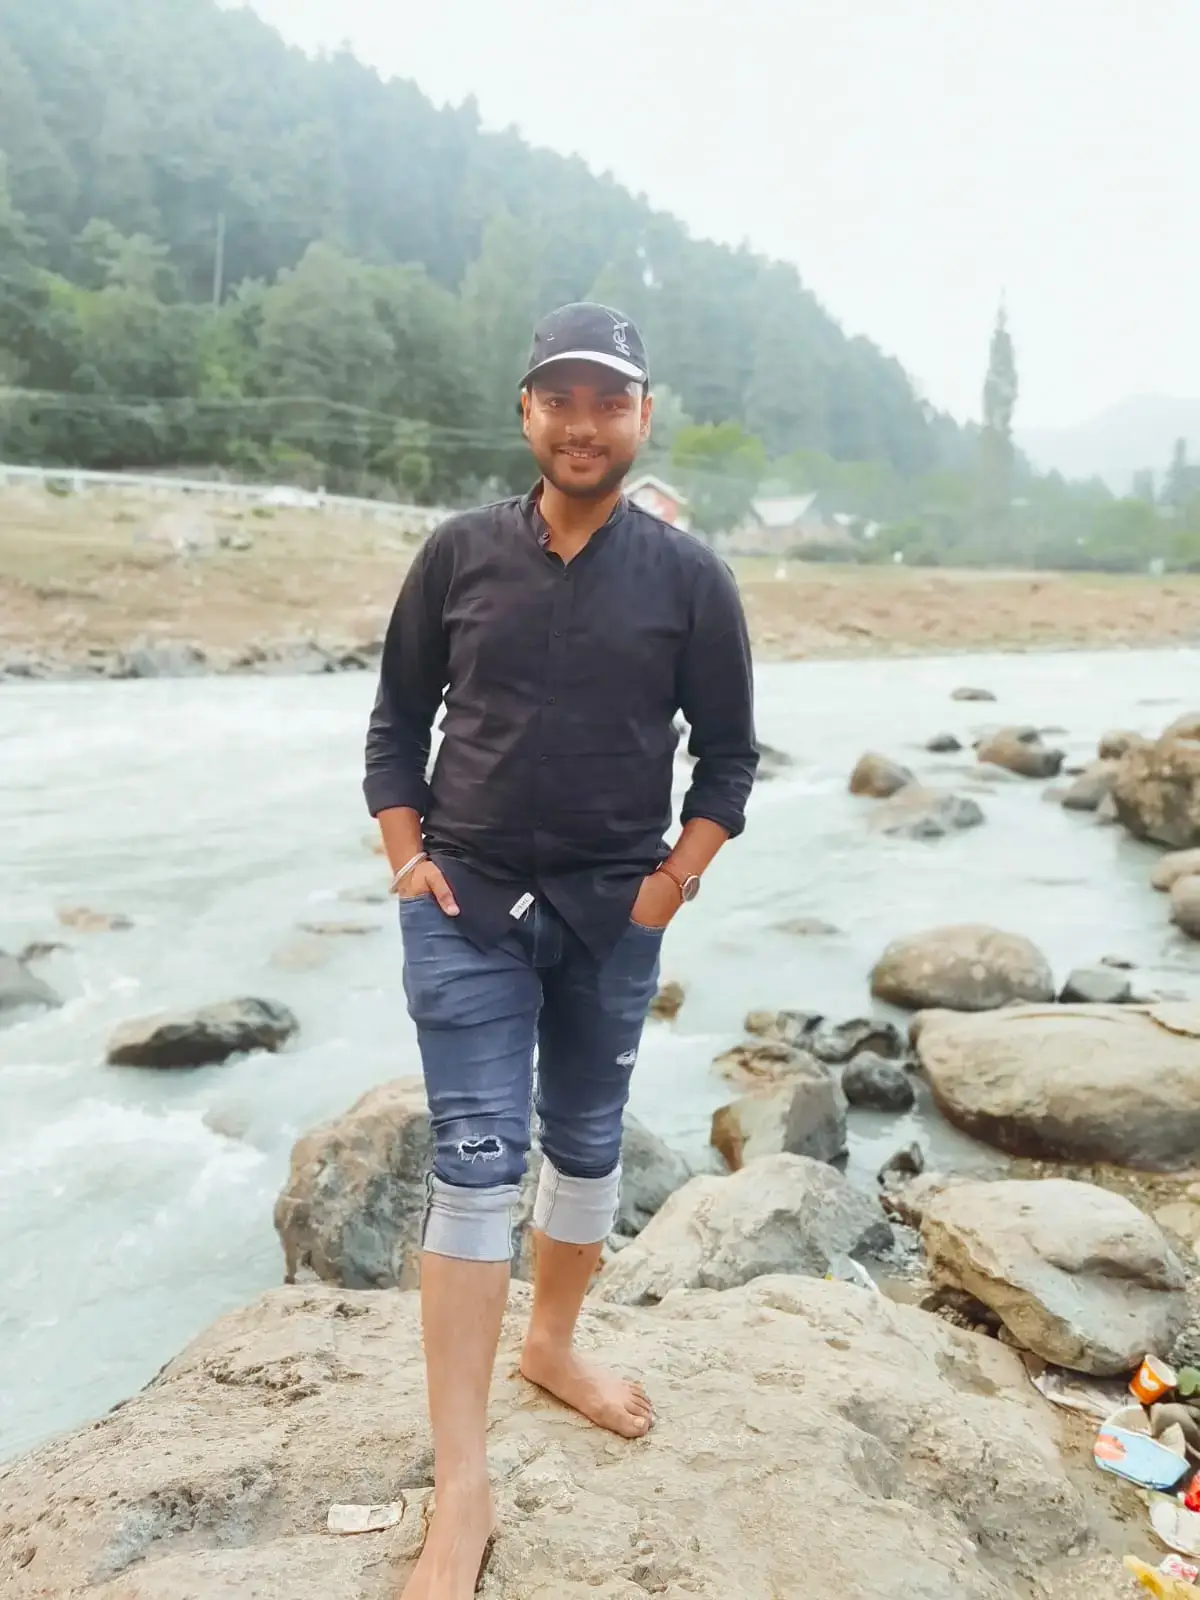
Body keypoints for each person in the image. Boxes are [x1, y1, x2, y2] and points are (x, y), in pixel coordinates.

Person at [364, 301, 758, 1600]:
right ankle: (462, 1488)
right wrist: (408, 861)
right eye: (561, 399)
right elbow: (395, 723)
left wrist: (669, 888)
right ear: (526, 412)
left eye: (610, 401)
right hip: (466, 902)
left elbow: (729, 759)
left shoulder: (690, 579)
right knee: (476, 1166)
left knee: (586, 1149)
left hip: (610, 915)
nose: (584, 424)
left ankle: (552, 1343)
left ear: (644, 416)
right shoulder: (458, 553)